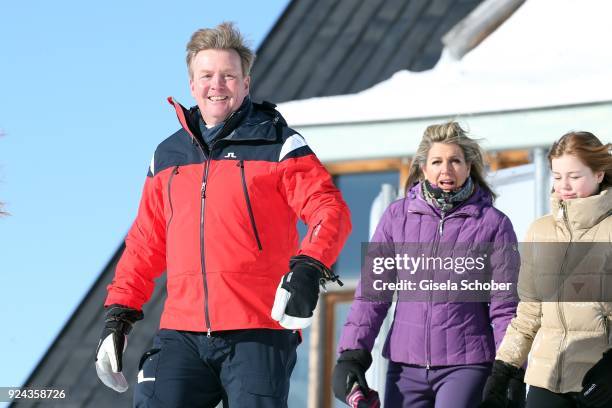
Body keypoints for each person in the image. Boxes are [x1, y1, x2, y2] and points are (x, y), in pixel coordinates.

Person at [94, 22, 351, 408]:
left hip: (257, 330)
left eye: (229, 76)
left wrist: (308, 269)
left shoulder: (278, 144)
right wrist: (119, 315)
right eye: (207, 75)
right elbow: (146, 241)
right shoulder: (167, 156)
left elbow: (329, 209)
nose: (218, 85)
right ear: (192, 84)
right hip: (182, 331)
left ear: (246, 83)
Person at [333, 122, 520, 407]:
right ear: (423, 168)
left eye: (455, 160)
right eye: (437, 161)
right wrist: (352, 353)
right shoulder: (397, 217)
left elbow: (505, 307)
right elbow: (373, 293)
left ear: (469, 167)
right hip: (405, 366)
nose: (446, 169)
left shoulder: (493, 224)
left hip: (466, 364)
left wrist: (510, 370)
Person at [481, 131, 612, 408]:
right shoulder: (540, 231)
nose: (564, 185)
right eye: (557, 176)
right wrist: (505, 370)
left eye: (574, 176)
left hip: (600, 379)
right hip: (547, 378)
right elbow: (529, 312)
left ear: (599, 173)